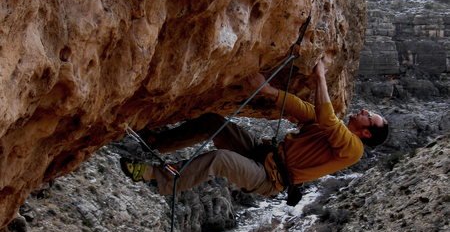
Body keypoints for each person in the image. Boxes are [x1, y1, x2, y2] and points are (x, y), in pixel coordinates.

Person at [119, 59, 389, 197]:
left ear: (366, 133)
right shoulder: (332, 128)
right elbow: (304, 109)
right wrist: (269, 91)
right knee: (214, 122)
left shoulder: (352, 149)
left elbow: (328, 119)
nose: (364, 112)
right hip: (262, 155)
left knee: (221, 159)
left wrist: (320, 78)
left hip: (267, 179)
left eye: (370, 118)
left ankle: (154, 175)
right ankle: (155, 141)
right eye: (369, 113)